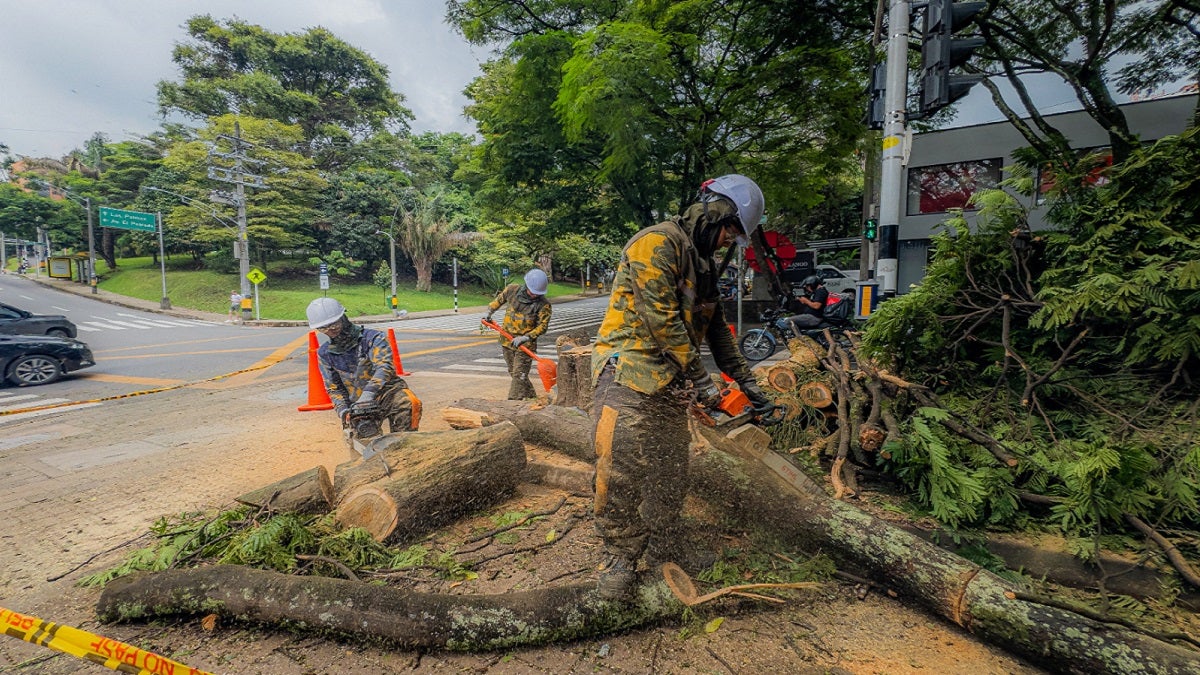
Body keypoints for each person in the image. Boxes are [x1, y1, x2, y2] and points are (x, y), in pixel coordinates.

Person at [589, 174, 774, 599]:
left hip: (671, 377)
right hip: (628, 370)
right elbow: (662, 321)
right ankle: (620, 553)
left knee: (671, 468)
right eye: (730, 231)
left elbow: (717, 330)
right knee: (619, 467)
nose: (729, 241)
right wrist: (704, 382)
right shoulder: (656, 243)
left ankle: (664, 543)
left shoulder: (705, 264)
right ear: (714, 213)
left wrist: (745, 381)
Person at [306, 297, 421, 450]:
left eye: (334, 324)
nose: (330, 330)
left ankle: (405, 449)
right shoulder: (325, 353)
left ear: (343, 317)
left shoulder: (373, 338)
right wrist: (344, 411)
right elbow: (334, 388)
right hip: (357, 404)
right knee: (365, 448)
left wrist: (368, 395)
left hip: (388, 394)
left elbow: (384, 367)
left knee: (408, 402)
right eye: (324, 328)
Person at [484, 268, 553, 400]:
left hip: (526, 346)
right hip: (507, 340)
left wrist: (526, 337)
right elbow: (498, 301)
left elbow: (543, 327)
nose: (534, 296)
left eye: (537, 294)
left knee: (518, 374)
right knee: (515, 373)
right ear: (526, 285)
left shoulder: (544, 305)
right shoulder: (512, 290)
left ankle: (512, 402)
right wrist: (489, 312)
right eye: (533, 292)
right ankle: (532, 397)